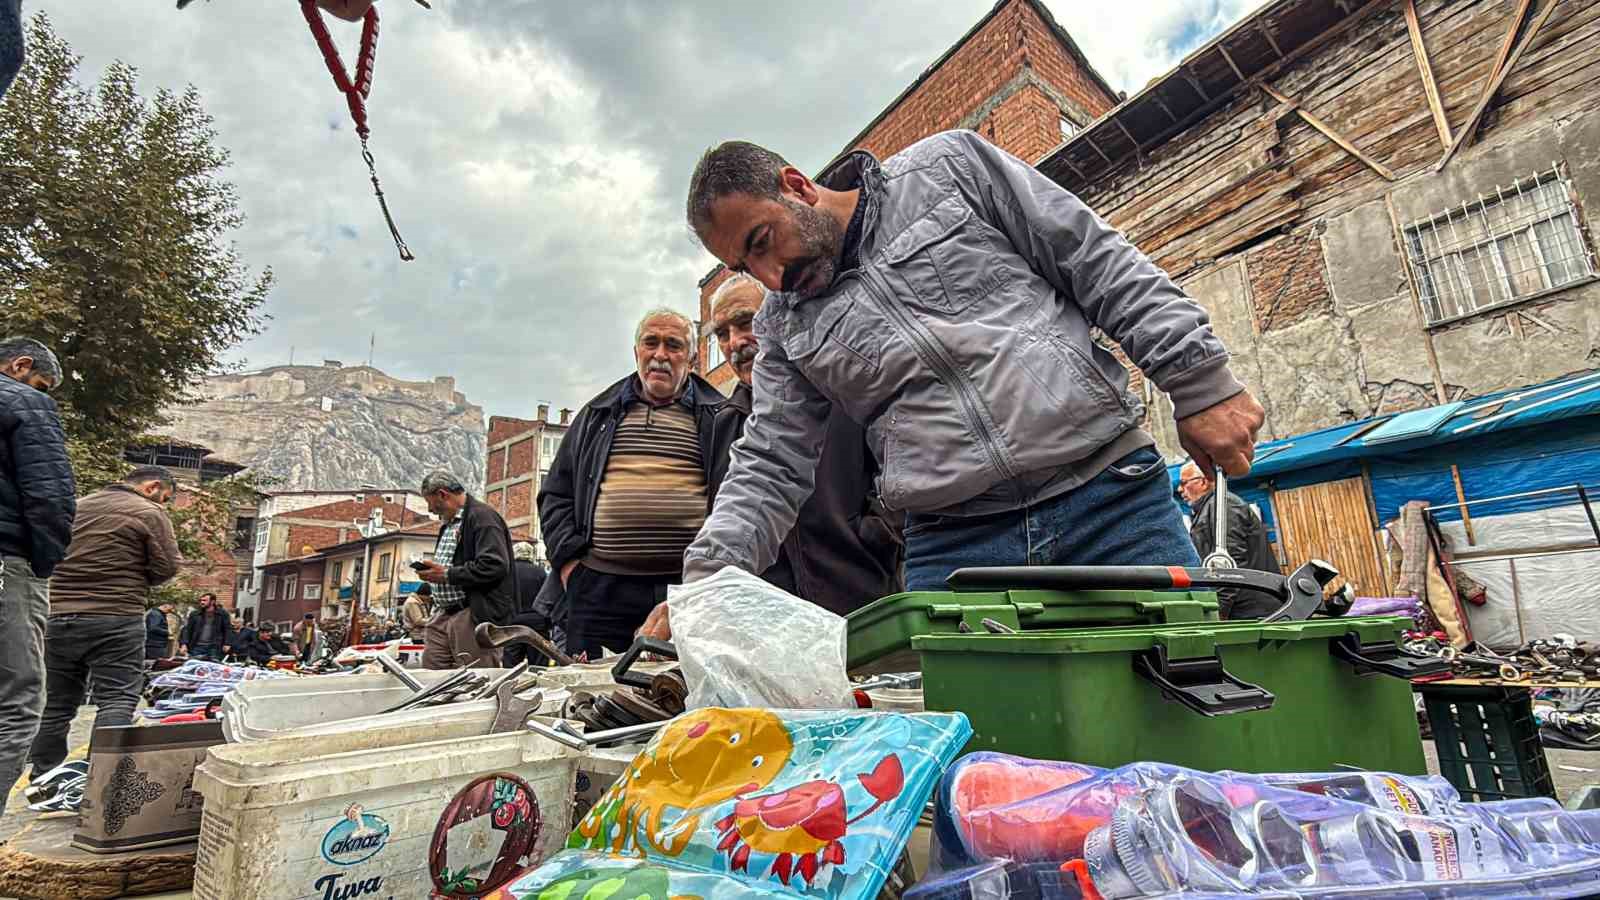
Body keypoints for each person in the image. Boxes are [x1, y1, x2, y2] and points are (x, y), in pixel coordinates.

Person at [642, 131, 1265, 639]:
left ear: (797, 186)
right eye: (745, 265)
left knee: (1183, 710)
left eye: (762, 242)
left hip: (1109, 502)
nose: (770, 276)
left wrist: (1199, 381)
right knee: (975, 761)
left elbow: (1094, 259)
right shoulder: (784, 327)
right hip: (957, 549)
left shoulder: (950, 169)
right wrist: (707, 582)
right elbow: (770, 461)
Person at [536, 309, 739, 658]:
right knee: (595, 695)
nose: (660, 355)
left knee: (681, 691)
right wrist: (572, 569)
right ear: (637, 352)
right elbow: (555, 494)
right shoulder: (597, 414)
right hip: (600, 590)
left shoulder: (720, 415)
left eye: (673, 345)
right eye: (651, 343)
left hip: (686, 588)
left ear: (691, 359)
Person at [707, 272, 903, 614]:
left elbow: (894, 468)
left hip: (856, 596)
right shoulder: (721, 421)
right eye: (722, 334)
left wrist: (875, 536)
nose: (735, 342)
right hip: (771, 614)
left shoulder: (839, 393)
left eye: (744, 323)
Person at [28, 466, 178, 786]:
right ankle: (97, 781)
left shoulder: (75, 506)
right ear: (153, 487)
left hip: (57, 617)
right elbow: (166, 567)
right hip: (116, 617)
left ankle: (44, 778)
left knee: (55, 705)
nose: (163, 504)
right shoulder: (148, 512)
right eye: (165, 498)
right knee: (117, 700)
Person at [0, 336, 76, 812]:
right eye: (42, 383)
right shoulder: (27, 403)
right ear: (21, 365)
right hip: (8, 565)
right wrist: (41, 564)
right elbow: (50, 496)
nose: (42, 391)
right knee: (17, 702)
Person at [414, 470, 515, 668]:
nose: (431, 510)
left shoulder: (482, 517)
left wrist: (447, 574)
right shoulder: (450, 524)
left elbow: (494, 565)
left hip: (470, 613)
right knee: (432, 676)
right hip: (444, 613)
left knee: (478, 676)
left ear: (443, 495)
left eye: (432, 503)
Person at [1180, 462, 1282, 619]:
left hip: (1251, 611)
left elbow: (1230, 564)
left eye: (1184, 483)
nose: (1180, 489)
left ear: (1203, 481)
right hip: (1246, 607)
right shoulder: (1211, 508)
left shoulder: (1223, 506)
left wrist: (1218, 611)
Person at [179, 592, 234, 661]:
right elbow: (187, 629)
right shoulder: (195, 614)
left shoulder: (222, 614)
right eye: (201, 600)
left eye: (204, 600)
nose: (202, 602)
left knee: (213, 667)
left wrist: (227, 643)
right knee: (194, 665)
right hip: (197, 646)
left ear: (212, 601)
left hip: (214, 647)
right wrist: (184, 644)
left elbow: (228, 629)